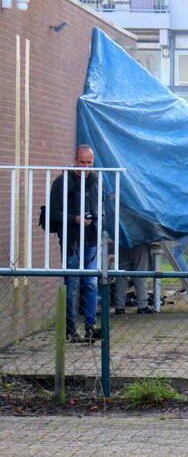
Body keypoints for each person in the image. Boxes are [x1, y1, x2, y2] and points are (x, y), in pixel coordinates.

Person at [48, 145, 101, 343]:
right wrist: (75, 219)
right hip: (72, 240)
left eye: (89, 163)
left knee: (91, 282)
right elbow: (52, 212)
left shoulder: (96, 180)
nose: (86, 167)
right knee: (72, 284)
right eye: (82, 162)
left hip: (91, 239)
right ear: (75, 160)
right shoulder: (63, 181)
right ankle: (71, 329)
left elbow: (100, 206)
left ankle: (90, 326)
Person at [113, 242, 155, 315]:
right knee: (141, 275)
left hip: (122, 242)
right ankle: (142, 306)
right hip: (140, 241)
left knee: (121, 276)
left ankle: (119, 307)